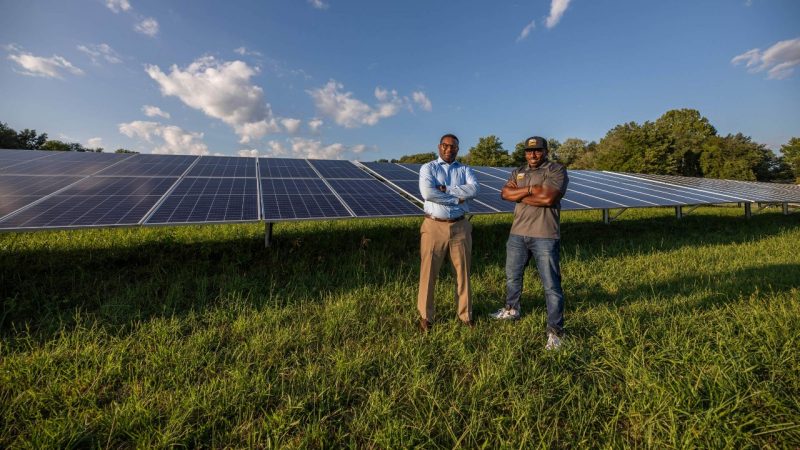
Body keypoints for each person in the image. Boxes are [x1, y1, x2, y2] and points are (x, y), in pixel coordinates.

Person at [491, 136, 569, 350]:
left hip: (545, 235)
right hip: (517, 233)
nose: (532, 155)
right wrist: (530, 190)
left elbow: (549, 199)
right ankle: (512, 309)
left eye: (537, 151)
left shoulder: (556, 170)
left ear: (545, 151)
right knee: (512, 277)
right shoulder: (518, 171)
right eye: (528, 151)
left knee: (551, 286)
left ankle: (555, 332)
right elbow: (504, 193)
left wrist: (519, 194)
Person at [417, 133, 480, 331]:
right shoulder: (428, 168)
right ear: (439, 146)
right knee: (428, 273)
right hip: (434, 226)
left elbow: (474, 189)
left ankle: (465, 315)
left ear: (457, 149)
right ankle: (426, 317)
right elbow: (428, 193)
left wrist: (447, 189)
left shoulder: (464, 169)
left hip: (460, 226)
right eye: (445, 145)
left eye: (453, 147)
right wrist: (456, 198)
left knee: (463, 273)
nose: (448, 149)